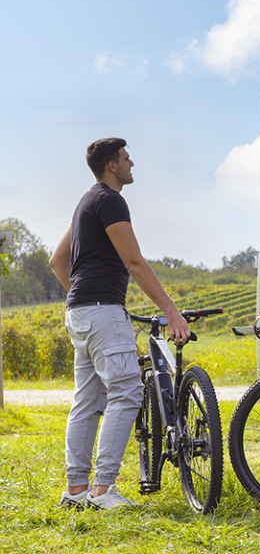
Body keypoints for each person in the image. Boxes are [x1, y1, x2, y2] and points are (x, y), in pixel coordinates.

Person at [49, 138, 191, 511]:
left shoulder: (85, 203)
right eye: (127, 158)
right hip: (102, 309)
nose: (132, 164)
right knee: (127, 391)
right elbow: (134, 262)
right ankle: (102, 491)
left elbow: (57, 261)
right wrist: (171, 311)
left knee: (87, 400)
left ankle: (76, 489)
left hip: (79, 311)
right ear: (112, 165)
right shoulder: (111, 201)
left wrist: (82, 295)